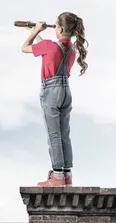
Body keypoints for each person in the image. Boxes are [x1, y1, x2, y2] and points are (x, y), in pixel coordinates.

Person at [21, 12, 88, 187]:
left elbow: (25, 47)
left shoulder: (49, 46)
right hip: (66, 91)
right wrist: (34, 31)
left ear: (60, 28)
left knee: (54, 134)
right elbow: (48, 49)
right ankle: (67, 174)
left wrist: (34, 32)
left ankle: (57, 176)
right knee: (64, 134)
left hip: (51, 91)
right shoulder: (72, 49)